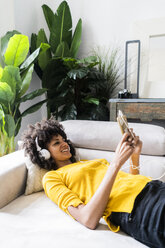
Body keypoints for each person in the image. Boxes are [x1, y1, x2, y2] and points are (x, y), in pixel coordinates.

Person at [22, 117, 165, 248]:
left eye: (63, 139)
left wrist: (135, 156)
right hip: (137, 208)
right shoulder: (52, 178)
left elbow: (130, 182)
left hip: (153, 187)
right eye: (56, 143)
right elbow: (87, 219)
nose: (64, 143)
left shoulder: (87, 162)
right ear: (44, 154)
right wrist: (115, 164)